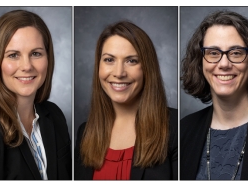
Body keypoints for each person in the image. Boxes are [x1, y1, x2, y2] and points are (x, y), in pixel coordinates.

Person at [0, 10, 72, 180]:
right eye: (13, 55)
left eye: (36, 53)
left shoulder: (54, 115)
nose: (26, 66)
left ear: (48, 58)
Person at [180, 10, 248, 180]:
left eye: (236, 53)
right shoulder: (183, 129)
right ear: (200, 61)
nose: (224, 64)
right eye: (213, 53)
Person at [74, 21, 178, 180]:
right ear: (99, 66)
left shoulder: (176, 127)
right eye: (109, 60)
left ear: (147, 68)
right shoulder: (84, 133)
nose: (119, 73)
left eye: (131, 61)